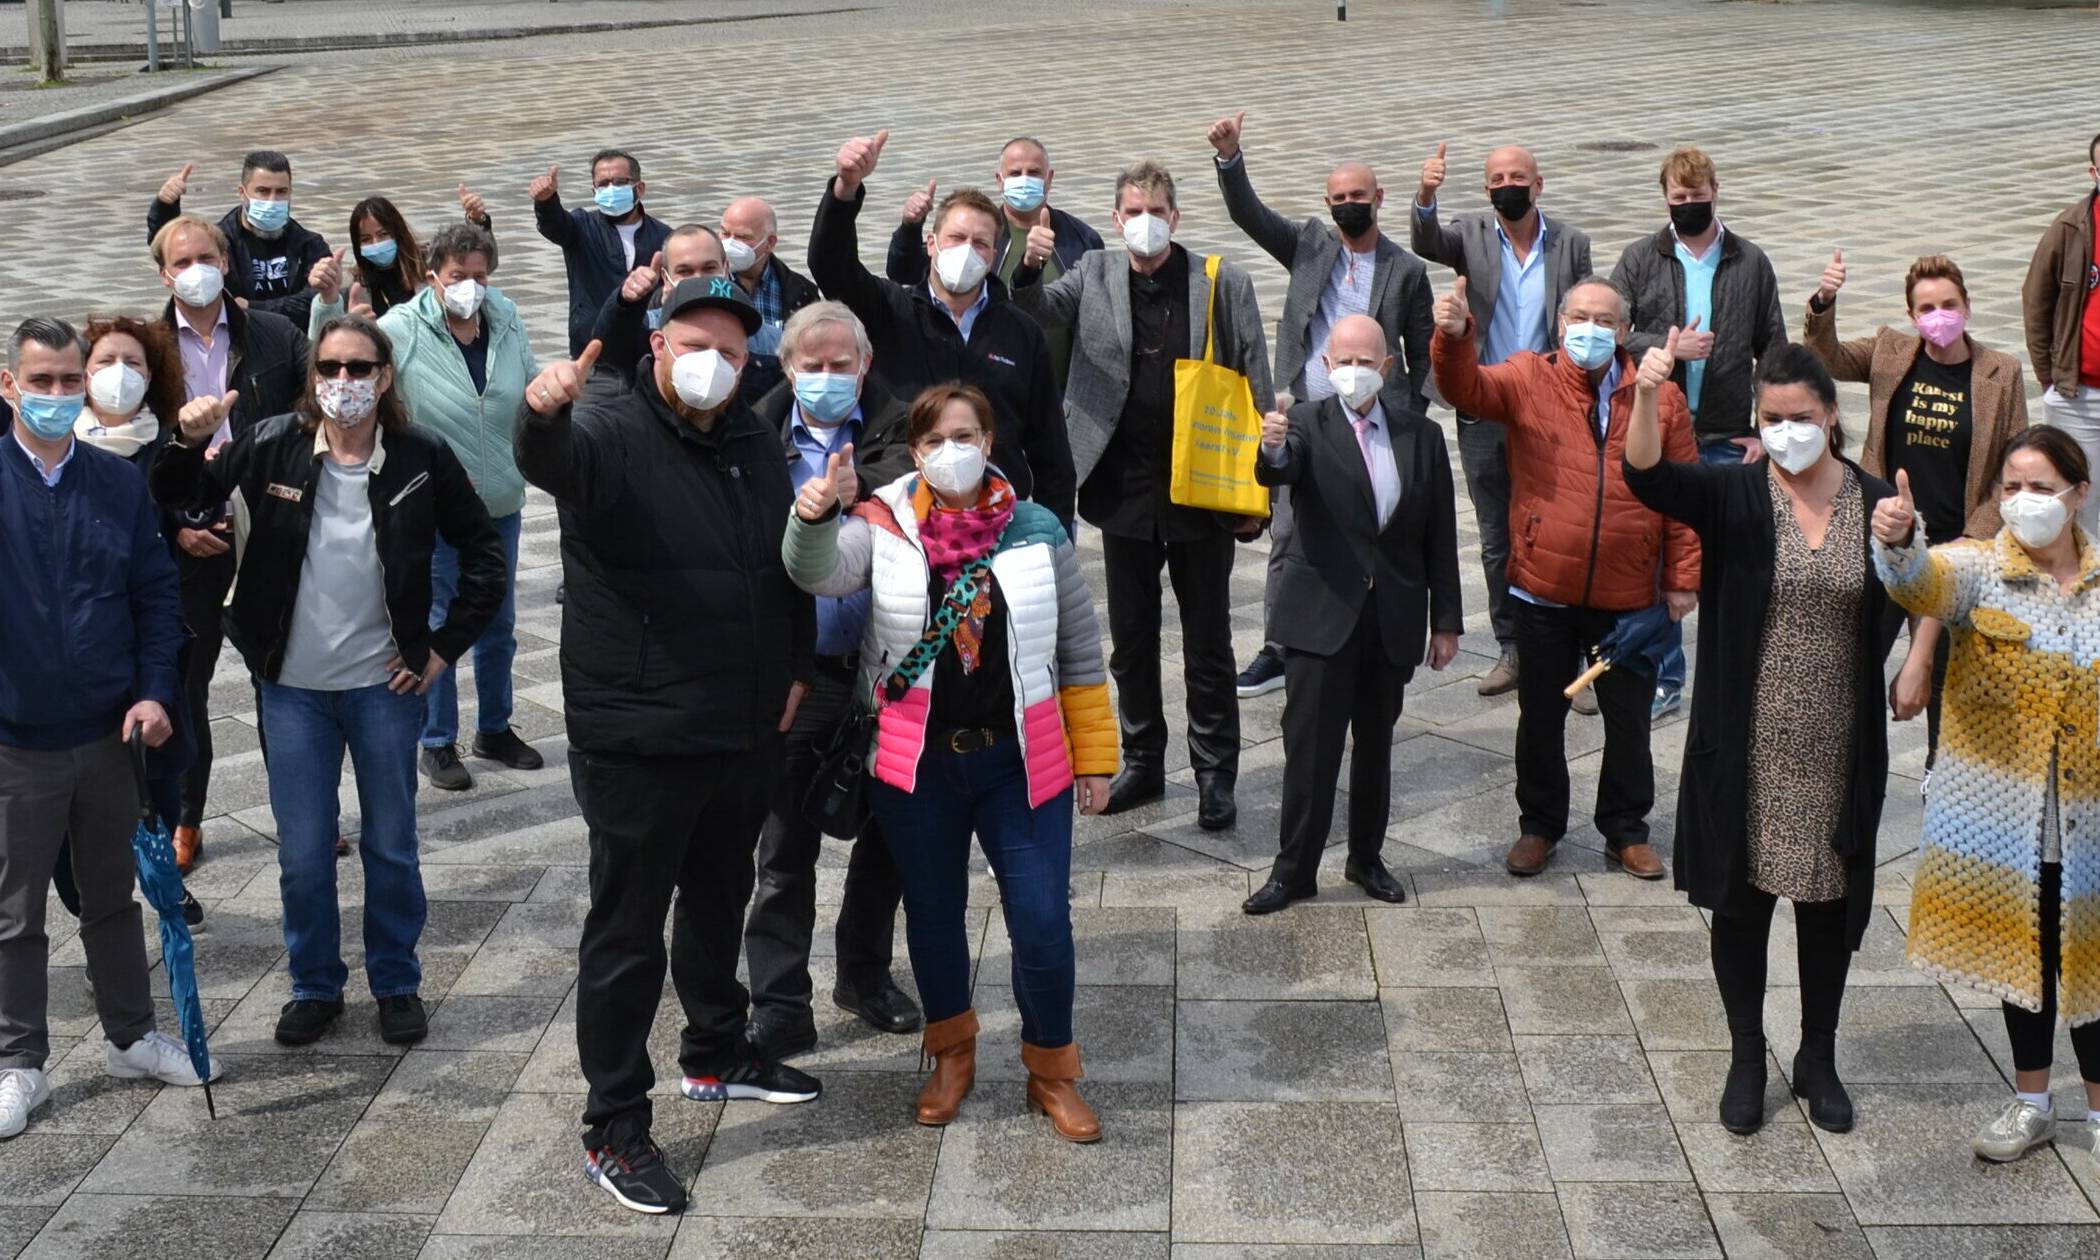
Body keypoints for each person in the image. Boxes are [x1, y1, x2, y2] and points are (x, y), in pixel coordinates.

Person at [515, 278, 819, 1217]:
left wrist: (794, 671)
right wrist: (540, 414)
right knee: (627, 929)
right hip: (641, 731)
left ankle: (717, 1046)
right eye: (697, 343)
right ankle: (614, 1123)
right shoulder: (607, 427)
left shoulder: (753, 437)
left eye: (733, 350)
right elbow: (551, 459)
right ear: (657, 343)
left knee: (722, 893)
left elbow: (782, 567)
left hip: (741, 724)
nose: (714, 364)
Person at [152, 315, 505, 1051]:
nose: (345, 383)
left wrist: (440, 650)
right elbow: (178, 496)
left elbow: (484, 555)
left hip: (386, 687)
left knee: (392, 843)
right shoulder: (270, 442)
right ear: (312, 378)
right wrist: (186, 440)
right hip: (292, 688)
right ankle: (315, 985)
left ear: (385, 376)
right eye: (331, 368)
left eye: (361, 368)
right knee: (304, 849)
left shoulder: (419, 454)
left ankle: (395, 982)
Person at [782, 382, 1117, 1143]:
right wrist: (815, 514)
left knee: (1041, 922)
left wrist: (1096, 758)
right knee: (933, 916)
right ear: (915, 451)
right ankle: (952, 1054)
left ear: (989, 443)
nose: (949, 452)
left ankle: (1051, 1070)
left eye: (964, 436)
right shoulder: (882, 523)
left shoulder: (1036, 531)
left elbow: (1079, 651)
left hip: (1021, 762)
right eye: (933, 442)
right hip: (917, 764)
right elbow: (818, 574)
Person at [1626, 340, 1894, 1137]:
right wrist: (1647, 396)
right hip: (1746, 737)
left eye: (1800, 418)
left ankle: (1818, 1055)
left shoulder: (1873, 500)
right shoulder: (1735, 495)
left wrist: (1908, 546)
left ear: (1832, 416)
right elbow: (1648, 476)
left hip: (1837, 741)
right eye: (1771, 419)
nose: (1786, 432)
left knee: (1826, 905)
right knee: (1741, 905)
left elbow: (1918, 589)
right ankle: (1748, 1054)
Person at [0, 318, 216, 1142]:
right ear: (10, 384)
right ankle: (19, 1059)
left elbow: (157, 599)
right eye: (41, 381)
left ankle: (130, 1035)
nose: (57, 395)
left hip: (108, 732)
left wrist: (157, 693)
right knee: (15, 909)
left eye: (68, 382)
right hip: (17, 737)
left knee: (112, 898)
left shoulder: (116, 483)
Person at [1009, 157, 1269, 829]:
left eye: (1158, 211)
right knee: (1130, 639)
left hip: (1201, 492)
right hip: (1120, 491)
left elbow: (1255, 386)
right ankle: (1144, 763)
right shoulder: (1093, 272)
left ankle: (1215, 775)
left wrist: (1260, 494)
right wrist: (1029, 265)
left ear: (1175, 217)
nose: (1145, 223)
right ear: (1116, 218)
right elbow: (1034, 313)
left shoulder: (1221, 282)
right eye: (1133, 212)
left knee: (1209, 641)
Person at [1869, 427, 2100, 1166]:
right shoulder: (1979, 570)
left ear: (2079, 495)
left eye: (2040, 488)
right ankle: (2032, 1100)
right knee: (2019, 959)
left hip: (2089, 818)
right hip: (2005, 818)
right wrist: (1900, 542)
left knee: (2092, 961)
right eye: (2011, 487)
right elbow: (1920, 584)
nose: (2023, 502)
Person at [1432, 276, 1699, 881]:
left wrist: (1682, 580)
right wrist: (1454, 338)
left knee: (1629, 721)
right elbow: (1464, 387)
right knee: (1541, 714)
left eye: (1605, 321)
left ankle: (1626, 829)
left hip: (1629, 595)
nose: (1591, 330)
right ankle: (1539, 825)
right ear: (1559, 325)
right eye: (1580, 317)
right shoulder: (1530, 377)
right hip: (1543, 586)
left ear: (1626, 332)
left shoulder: (1662, 396)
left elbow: (1686, 499)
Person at [1204, 110, 1435, 703]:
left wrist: (1415, 419)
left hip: (1375, 418)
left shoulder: (1406, 271)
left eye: (1358, 195)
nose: (1348, 204)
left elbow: (1422, 349)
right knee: (1287, 533)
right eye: (1338, 197)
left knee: (1372, 531)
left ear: (1379, 198)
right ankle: (1280, 647)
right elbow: (1248, 216)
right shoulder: (1309, 246)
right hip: (1310, 412)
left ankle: (1368, 630)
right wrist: (1231, 159)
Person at [744, 301, 920, 1060]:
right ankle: (780, 999)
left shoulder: (901, 428)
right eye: (810, 366)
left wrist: (858, 493)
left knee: (888, 837)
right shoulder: (753, 437)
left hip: (884, 670)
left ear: (864, 364)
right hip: (798, 672)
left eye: (839, 365)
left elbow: (921, 482)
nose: (825, 378)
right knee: (784, 847)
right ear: (787, 369)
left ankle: (864, 972)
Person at [311, 222, 544, 791]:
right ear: (434, 274)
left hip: (500, 500)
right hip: (434, 504)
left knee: (499, 621)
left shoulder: (505, 320)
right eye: (459, 275)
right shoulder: (403, 329)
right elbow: (344, 372)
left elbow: (531, 385)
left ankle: (496, 726)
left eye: (481, 275)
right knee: (438, 620)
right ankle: (436, 740)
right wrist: (328, 308)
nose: (471, 285)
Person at [1244, 314, 1462, 914]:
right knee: (1310, 750)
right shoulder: (1306, 426)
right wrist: (1271, 447)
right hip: (1321, 616)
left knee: (1375, 746)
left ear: (1387, 368)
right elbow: (1279, 469)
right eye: (1344, 361)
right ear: (1325, 366)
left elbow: (1439, 533)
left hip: (1390, 616)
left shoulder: (1420, 435)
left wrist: (1445, 621)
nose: (1355, 371)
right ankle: (1293, 871)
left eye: (1367, 361)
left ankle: (1367, 856)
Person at [1804, 251, 2029, 783]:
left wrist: (1973, 539)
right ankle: (1843, 770)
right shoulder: (1890, 350)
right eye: (1926, 307)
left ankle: (1942, 775)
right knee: (1853, 662)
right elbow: (1826, 358)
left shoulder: (2002, 372)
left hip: (1955, 551)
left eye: (1949, 304)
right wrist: (1824, 302)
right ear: (1911, 316)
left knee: (1948, 677)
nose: (1939, 315)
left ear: (1968, 307)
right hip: (1883, 540)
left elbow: (2012, 467)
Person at [808, 129, 1077, 527]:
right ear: (931, 243)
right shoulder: (890, 310)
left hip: (997, 516)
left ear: (992, 255)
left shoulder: (1021, 331)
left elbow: (1051, 451)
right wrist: (846, 188)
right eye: (956, 238)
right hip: (902, 511)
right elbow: (830, 265)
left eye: (980, 243)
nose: (967, 250)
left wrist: (1055, 537)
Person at [151, 213, 311, 872]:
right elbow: (129, 457)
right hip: (187, 539)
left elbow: (314, 421)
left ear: (227, 260)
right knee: (186, 686)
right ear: (164, 273)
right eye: (181, 260)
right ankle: (188, 817)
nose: (195, 269)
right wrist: (177, 526)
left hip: (262, 530)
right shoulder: (147, 347)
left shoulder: (274, 335)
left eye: (206, 256)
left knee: (281, 676)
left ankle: (300, 811)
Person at [1411, 141, 1596, 699]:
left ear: (1538, 185)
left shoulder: (1571, 243)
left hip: (1550, 404)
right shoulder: (1470, 235)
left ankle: (1575, 658)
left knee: (1564, 527)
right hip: (1487, 402)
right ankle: (1512, 647)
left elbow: (1585, 309)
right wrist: (1426, 194)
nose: (1507, 186)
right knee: (1496, 536)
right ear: (1487, 188)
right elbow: (1426, 240)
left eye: (1518, 177)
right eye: (1496, 179)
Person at [1612, 147, 1787, 722]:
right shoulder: (1641, 257)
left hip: (1726, 431)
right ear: (1665, 197)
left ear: (1717, 190)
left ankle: (1734, 669)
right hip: (1658, 427)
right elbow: (1612, 332)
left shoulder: (1750, 261)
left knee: (1734, 555)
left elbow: (1775, 350)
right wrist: (1667, 348)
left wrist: (1769, 429)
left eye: (1697, 194)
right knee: (1660, 555)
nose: (1689, 204)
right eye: (1678, 197)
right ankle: (1665, 676)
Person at [883, 135, 1105, 387]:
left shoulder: (1082, 238)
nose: (1024, 180)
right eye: (1015, 173)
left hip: (1062, 390)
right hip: (986, 385)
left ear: (1049, 178)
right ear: (999, 181)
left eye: (1034, 172)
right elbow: (903, 272)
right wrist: (910, 227)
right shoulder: (978, 234)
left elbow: (1095, 313)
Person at [2021, 133, 2100, 536]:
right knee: (2076, 504)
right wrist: (2049, 376)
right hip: (2078, 396)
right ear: (2094, 172)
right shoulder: (2071, 228)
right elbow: (2036, 300)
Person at [146, 152, 330, 322]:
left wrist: (251, 307)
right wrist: (164, 208)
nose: (272, 201)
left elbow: (316, 301)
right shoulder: (219, 243)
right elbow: (170, 253)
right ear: (242, 193)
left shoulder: (309, 244)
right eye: (263, 191)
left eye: (281, 192)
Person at [531, 149, 673, 358]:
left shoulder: (664, 236)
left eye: (619, 182)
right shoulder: (581, 227)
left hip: (647, 349)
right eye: (603, 184)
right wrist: (546, 202)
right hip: (592, 350)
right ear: (594, 190)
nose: (611, 189)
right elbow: (555, 225)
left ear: (639, 188)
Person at [592, 223, 732, 387]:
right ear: (666, 278)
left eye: (709, 268)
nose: (698, 279)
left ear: (726, 268)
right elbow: (609, 350)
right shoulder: (646, 327)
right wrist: (626, 302)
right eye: (685, 271)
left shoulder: (755, 331)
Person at [336, 187, 497, 321]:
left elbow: (485, 264)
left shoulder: (430, 260)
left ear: (397, 232)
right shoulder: (355, 285)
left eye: (383, 234)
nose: (376, 243)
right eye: (366, 239)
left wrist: (478, 222)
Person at [719, 196, 820, 402]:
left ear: (770, 243)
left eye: (742, 237)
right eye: (725, 233)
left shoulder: (799, 291)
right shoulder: (708, 284)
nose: (730, 243)